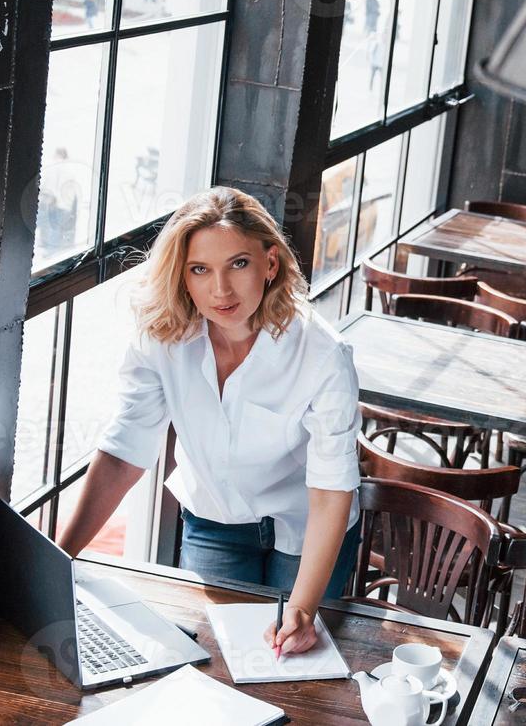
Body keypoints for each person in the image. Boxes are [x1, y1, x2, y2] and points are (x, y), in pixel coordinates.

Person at [57, 188, 362, 657]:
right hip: (215, 523)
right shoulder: (161, 340)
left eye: (238, 264)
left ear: (271, 264)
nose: (221, 290)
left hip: (308, 527)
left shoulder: (323, 356)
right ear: (182, 276)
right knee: (211, 657)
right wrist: (60, 558)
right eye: (200, 270)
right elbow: (123, 453)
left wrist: (301, 609)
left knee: (288, 665)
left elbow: (329, 492)